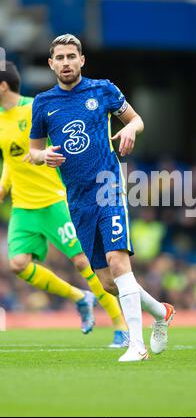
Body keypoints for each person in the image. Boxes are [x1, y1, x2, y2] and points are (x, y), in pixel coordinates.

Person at [29, 33, 175, 362]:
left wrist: (129, 129)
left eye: (71, 56)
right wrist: (43, 158)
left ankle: (136, 345)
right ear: (51, 64)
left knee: (117, 261)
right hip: (77, 200)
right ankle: (161, 312)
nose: (66, 62)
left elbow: (136, 119)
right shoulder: (43, 103)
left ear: (82, 60)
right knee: (108, 282)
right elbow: (33, 152)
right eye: (60, 58)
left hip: (108, 186)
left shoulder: (103, 89)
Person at [0, 61, 129, 347]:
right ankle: (79, 297)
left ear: (3, 86)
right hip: (23, 206)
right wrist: (5, 183)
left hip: (54, 199)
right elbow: (11, 156)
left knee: (83, 260)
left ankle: (121, 325)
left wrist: (44, 154)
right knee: (19, 264)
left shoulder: (37, 107)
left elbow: (57, 143)